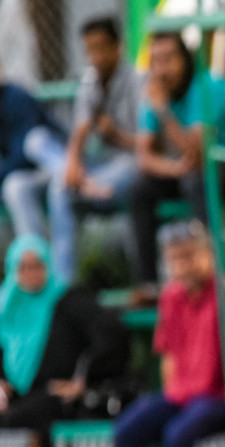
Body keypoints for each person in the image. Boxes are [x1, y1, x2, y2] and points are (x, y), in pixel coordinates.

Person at [113, 221, 225, 447]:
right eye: (175, 259)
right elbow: (168, 356)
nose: (183, 265)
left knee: (178, 433)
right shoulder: (171, 296)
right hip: (181, 395)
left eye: (189, 256)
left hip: (219, 396)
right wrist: (174, 393)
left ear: (208, 255)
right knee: (127, 430)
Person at [2, 17, 140, 283]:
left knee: (58, 181)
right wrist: (74, 164)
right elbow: (80, 132)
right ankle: (37, 270)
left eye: (101, 48)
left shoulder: (137, 81)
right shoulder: (90, 82)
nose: (95, 57)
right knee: (16, 185)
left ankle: (63, 282)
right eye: (90, 50)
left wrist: (115, 135)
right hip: (82, 171)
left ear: (118, 47)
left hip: (124, 167)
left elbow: (147, 147)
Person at [129, 32, 225, 294]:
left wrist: (165, 113)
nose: (162, 69)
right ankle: (148, 284)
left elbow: (198, 154)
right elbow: (144, 158)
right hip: (190, 171)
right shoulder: (156, 93)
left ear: (186, 60)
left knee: (197, 181)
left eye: (169, 59)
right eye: (155, 61)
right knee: (140, 188)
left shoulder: (207, 87)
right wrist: (177, 169)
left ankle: (209, 277)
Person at [0, 235, 127, 437]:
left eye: (36, 265)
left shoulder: (68, 300)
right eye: (23, 267)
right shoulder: (8, 306)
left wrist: (84, 379)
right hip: (18, 395)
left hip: (55, 396)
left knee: (15, 421)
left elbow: (111, 332)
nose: (30, 273)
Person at [0, 77, 65, 238]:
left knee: (35, 141)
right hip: (35, 178)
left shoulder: (17, 97)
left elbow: (23, 155)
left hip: (58, 168)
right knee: (14, 187)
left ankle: (73, 178)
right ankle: (35, 255)